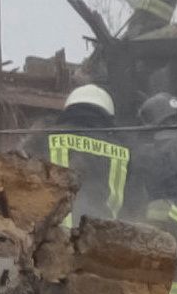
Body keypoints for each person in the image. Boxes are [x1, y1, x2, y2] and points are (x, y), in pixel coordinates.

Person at [40, 82, 132, 221]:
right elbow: (134, 201)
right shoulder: (125, 152)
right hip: (103, 238)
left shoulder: (42, 138)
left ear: (69, 110)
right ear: (108, 115)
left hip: (53, 239)